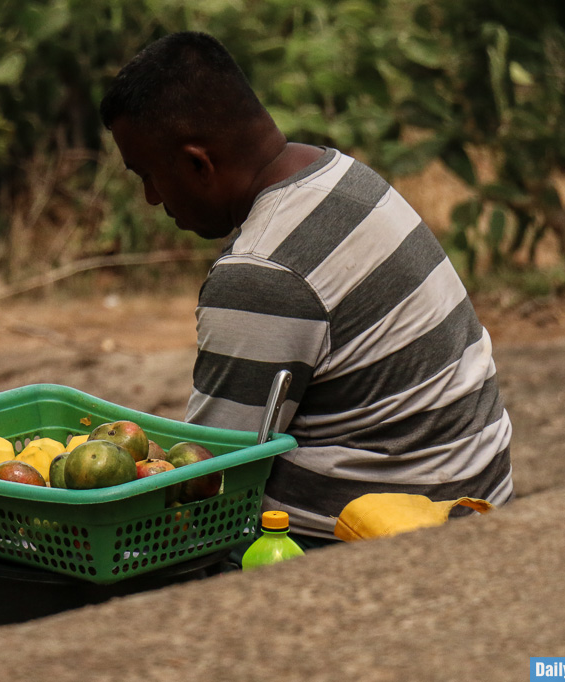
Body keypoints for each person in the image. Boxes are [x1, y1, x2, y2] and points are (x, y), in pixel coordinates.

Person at [99, 31, 514, 550]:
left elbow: (208, 481)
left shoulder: (261, 272)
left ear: (199, 164)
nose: (150, 197)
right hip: (478, 497)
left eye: (149, 175)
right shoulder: (345, 176)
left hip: (393, 540)